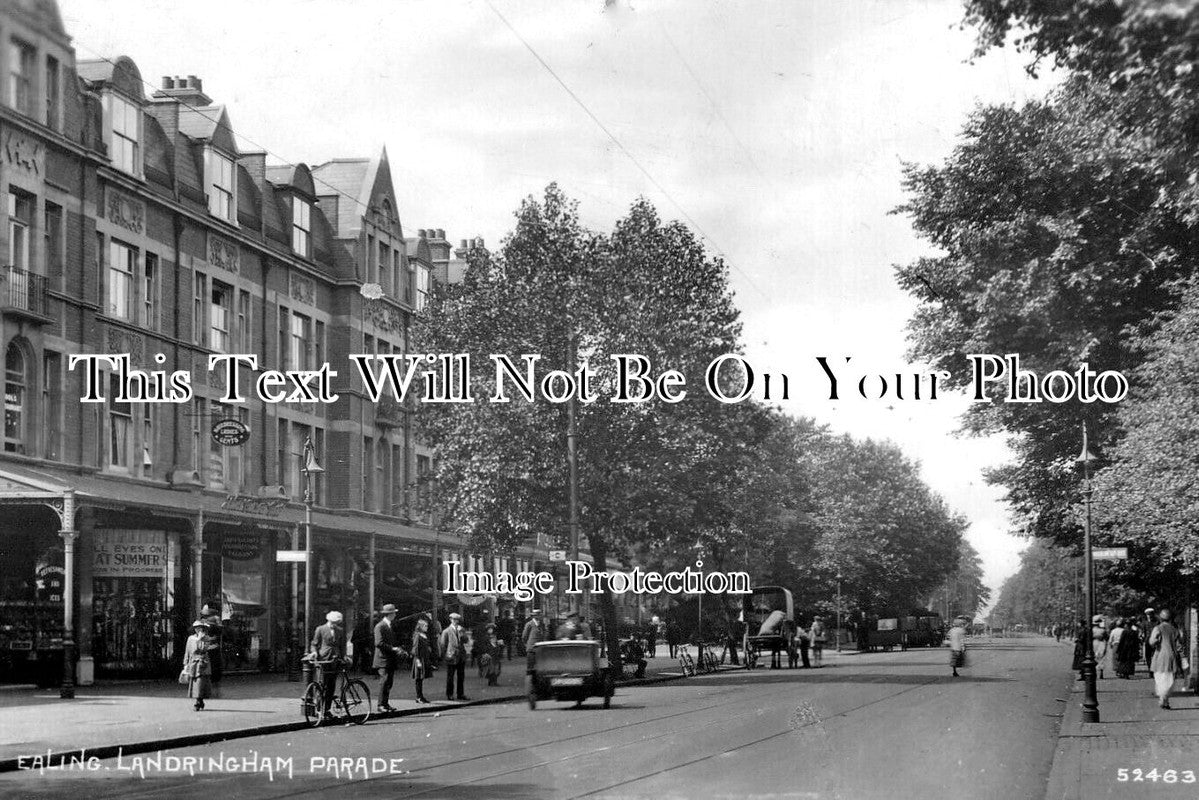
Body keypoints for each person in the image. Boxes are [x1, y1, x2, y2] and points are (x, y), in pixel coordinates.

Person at [311, 610, 347, 719]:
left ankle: (326, 710)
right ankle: (319, 709)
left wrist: (343, 656)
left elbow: (342, 645)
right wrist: (314, 652)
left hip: (335, 660)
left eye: (336, 622)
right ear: (329, 620)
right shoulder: (320, 629)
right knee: (322, 684)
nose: (334, 624)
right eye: (333, 622)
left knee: (331, 685)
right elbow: (314, 643)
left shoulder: (340, 630)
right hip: (324, 659)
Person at [1149, 608, 1186, 710]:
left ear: (1160, 618)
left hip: (1160, 656)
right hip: (1172, 657)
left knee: (1160, 678)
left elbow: (1152, 642)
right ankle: (1165, 700)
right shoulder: (1175, 630)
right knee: (1170, 679)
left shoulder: (1158, 628)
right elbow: (1179, 646)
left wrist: (1157, 642)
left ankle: (1162, 698)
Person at [373, 604, 403, 712]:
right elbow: (378, 643)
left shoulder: (389, 625)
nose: (395, 614)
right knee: (384, 681)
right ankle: (380, 705)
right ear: (389, 614)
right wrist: (393, 649)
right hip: (382, 659)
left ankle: (385, 703)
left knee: (389, 682)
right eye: (394, 613)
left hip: (389, 659)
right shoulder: (380, 626)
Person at [183, 620, 215, 711]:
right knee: (195, 682)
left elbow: (203, 649)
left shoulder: (206, 638)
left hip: (202, 662)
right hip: (193, 662)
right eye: (196, 628)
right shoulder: (190, 638)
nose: (198, 630)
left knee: (200, 682)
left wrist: (200, 639)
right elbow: (188, 651)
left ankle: (198, 701)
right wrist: (185, 663)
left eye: (200, 628)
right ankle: (199, 701)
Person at [440, 612, 468, 701]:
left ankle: (460, 694)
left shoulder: (461, 629)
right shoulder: (446, 631)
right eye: (454, 619)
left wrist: (461, 633)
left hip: (461, 656)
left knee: (461, 676)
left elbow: (466, 640)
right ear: (451, 620)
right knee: (450, 677)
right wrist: (445, 655)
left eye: (457, 620)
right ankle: (450, 694)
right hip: (451, 656)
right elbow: (443, 644)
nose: (456, 621)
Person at [199, 602, 223, 692]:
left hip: (208, 647)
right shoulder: (213, 621)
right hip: (210, 647)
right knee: (213, 666)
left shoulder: (203, 622)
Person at [411, 617, 432, 703]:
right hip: (419, 659)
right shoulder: (417, 635)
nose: (427, 627)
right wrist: (418, 661)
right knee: (418, 678)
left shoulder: (424, 635)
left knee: (421, 678)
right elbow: (415, 649)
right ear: (421, 626)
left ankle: (420, 696)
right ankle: (418, 697)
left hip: (424, 658)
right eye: (425, 626)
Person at [1092, 615, 1109, 679]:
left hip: (1094, 643)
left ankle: (1094, 672)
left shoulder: (1092, 630)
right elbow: (1107, 638)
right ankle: (1101, 672)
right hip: (1101, 643)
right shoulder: (1102, 630)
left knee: (1094, 657)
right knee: (1101, 658)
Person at [1144, 607, 1158, 674]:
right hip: (1148, 641)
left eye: (1150, 614)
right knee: (1148, 656)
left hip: (1155, 641)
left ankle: (1154, 669)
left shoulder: (1157, 622)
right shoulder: (1145, 623)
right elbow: (1144, 632)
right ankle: (1150, 669)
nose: (1149, 616)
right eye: (1148, 615)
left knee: (1155, 655)